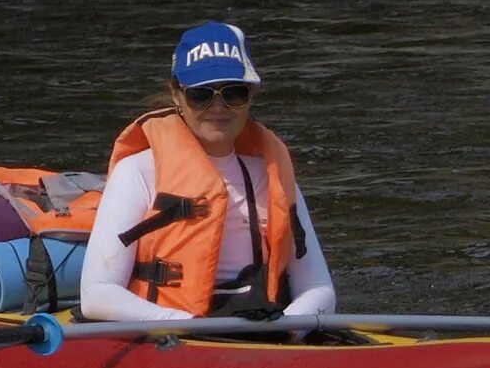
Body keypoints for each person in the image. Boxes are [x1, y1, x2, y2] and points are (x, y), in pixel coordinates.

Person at [76, 20, 337, 324]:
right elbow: (96, 294)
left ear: (251, 95)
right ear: (177, 95)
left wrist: (287, 328)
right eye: (201, 94)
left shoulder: (272, 174)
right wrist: (186, 326)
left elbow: (319, 288)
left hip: (262, 332)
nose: (218, 106)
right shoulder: (137, 172)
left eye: (234, 93)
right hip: (172, 337)